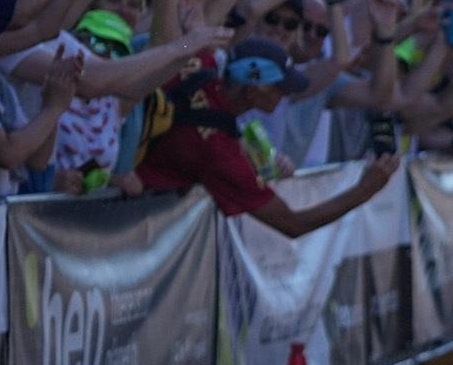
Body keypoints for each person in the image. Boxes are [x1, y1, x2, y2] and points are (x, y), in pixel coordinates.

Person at [133, 37, 397, 236]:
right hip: (129, 218)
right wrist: (364, 190)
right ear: (251, 91)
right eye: (280, 88)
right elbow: (292, 224)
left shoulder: (199, 60)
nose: (285, 96)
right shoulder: (220, 152)